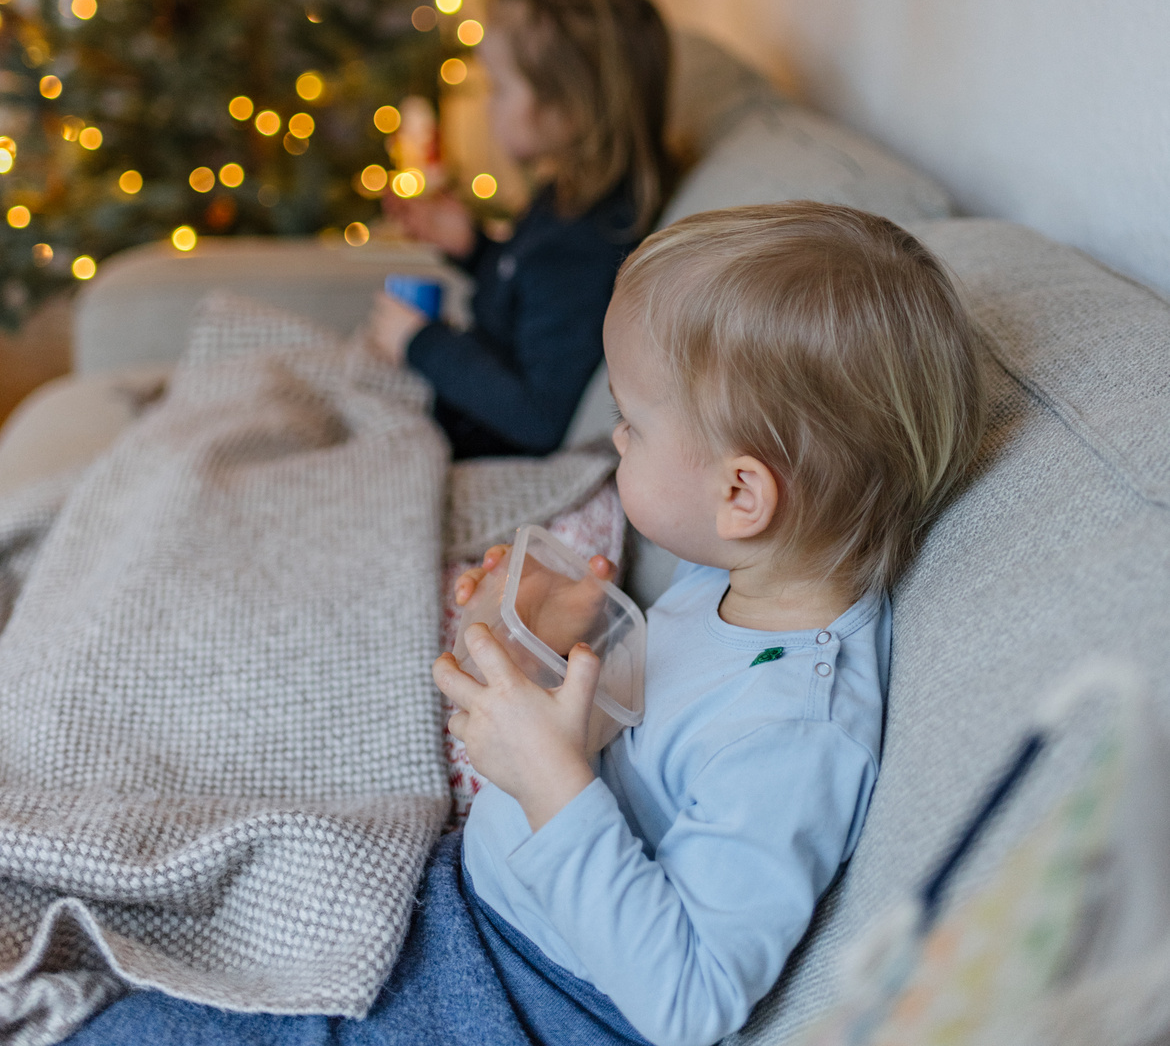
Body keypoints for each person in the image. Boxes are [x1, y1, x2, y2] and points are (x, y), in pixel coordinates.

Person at [68, 202, 986, 1046]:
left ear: (740, 492)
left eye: (630, 423)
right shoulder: (742, 577)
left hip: (530, 997)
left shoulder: (793, 735)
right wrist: (546, 645)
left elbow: (689, 999)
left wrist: (547, 776)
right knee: (176, 942)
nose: (614, 438)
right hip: (480, 907)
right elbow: (640, 746)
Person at [369, 0, 674, 458]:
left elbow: (538, 417)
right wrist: (475, 248)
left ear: (569, 108)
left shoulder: (583, 251)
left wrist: (420, 341)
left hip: (472, 439)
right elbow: (524, 298)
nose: (489, 106)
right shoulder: (571, 198)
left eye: (500, 88)